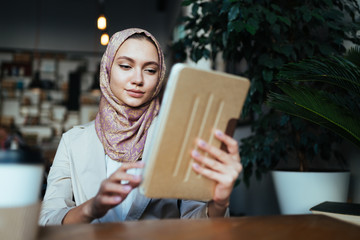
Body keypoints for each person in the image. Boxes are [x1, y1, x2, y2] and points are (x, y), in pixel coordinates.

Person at [39, 28, 242, 225]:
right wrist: (92, 208)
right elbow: (48, 220)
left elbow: (194, 223)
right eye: (126, 66)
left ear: (159, 77)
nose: (138, 79)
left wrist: (219, 202)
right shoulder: (73, 141)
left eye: (150, 70)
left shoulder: (176, 137)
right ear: (107, 69)